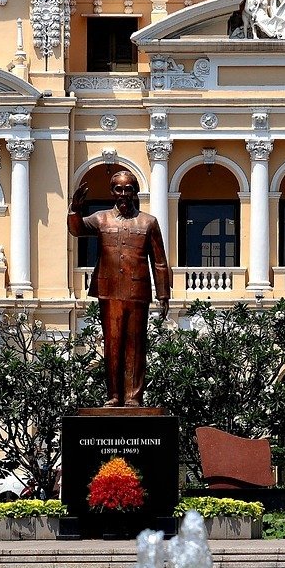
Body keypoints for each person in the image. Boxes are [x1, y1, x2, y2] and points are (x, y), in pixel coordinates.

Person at [68, 169, 172, 408]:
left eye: (128, 189)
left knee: (136, 345)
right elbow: (77, 229)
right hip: (109, 291)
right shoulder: (101, 218)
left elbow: (159, 261)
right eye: (119, 189)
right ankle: (114, 395)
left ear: (135, 191)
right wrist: (75, 209)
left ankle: (134, 397)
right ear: (112, 192)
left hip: (137, 292)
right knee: (112, 344)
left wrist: (164, 294)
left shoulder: (148, 222)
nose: (123, 194)